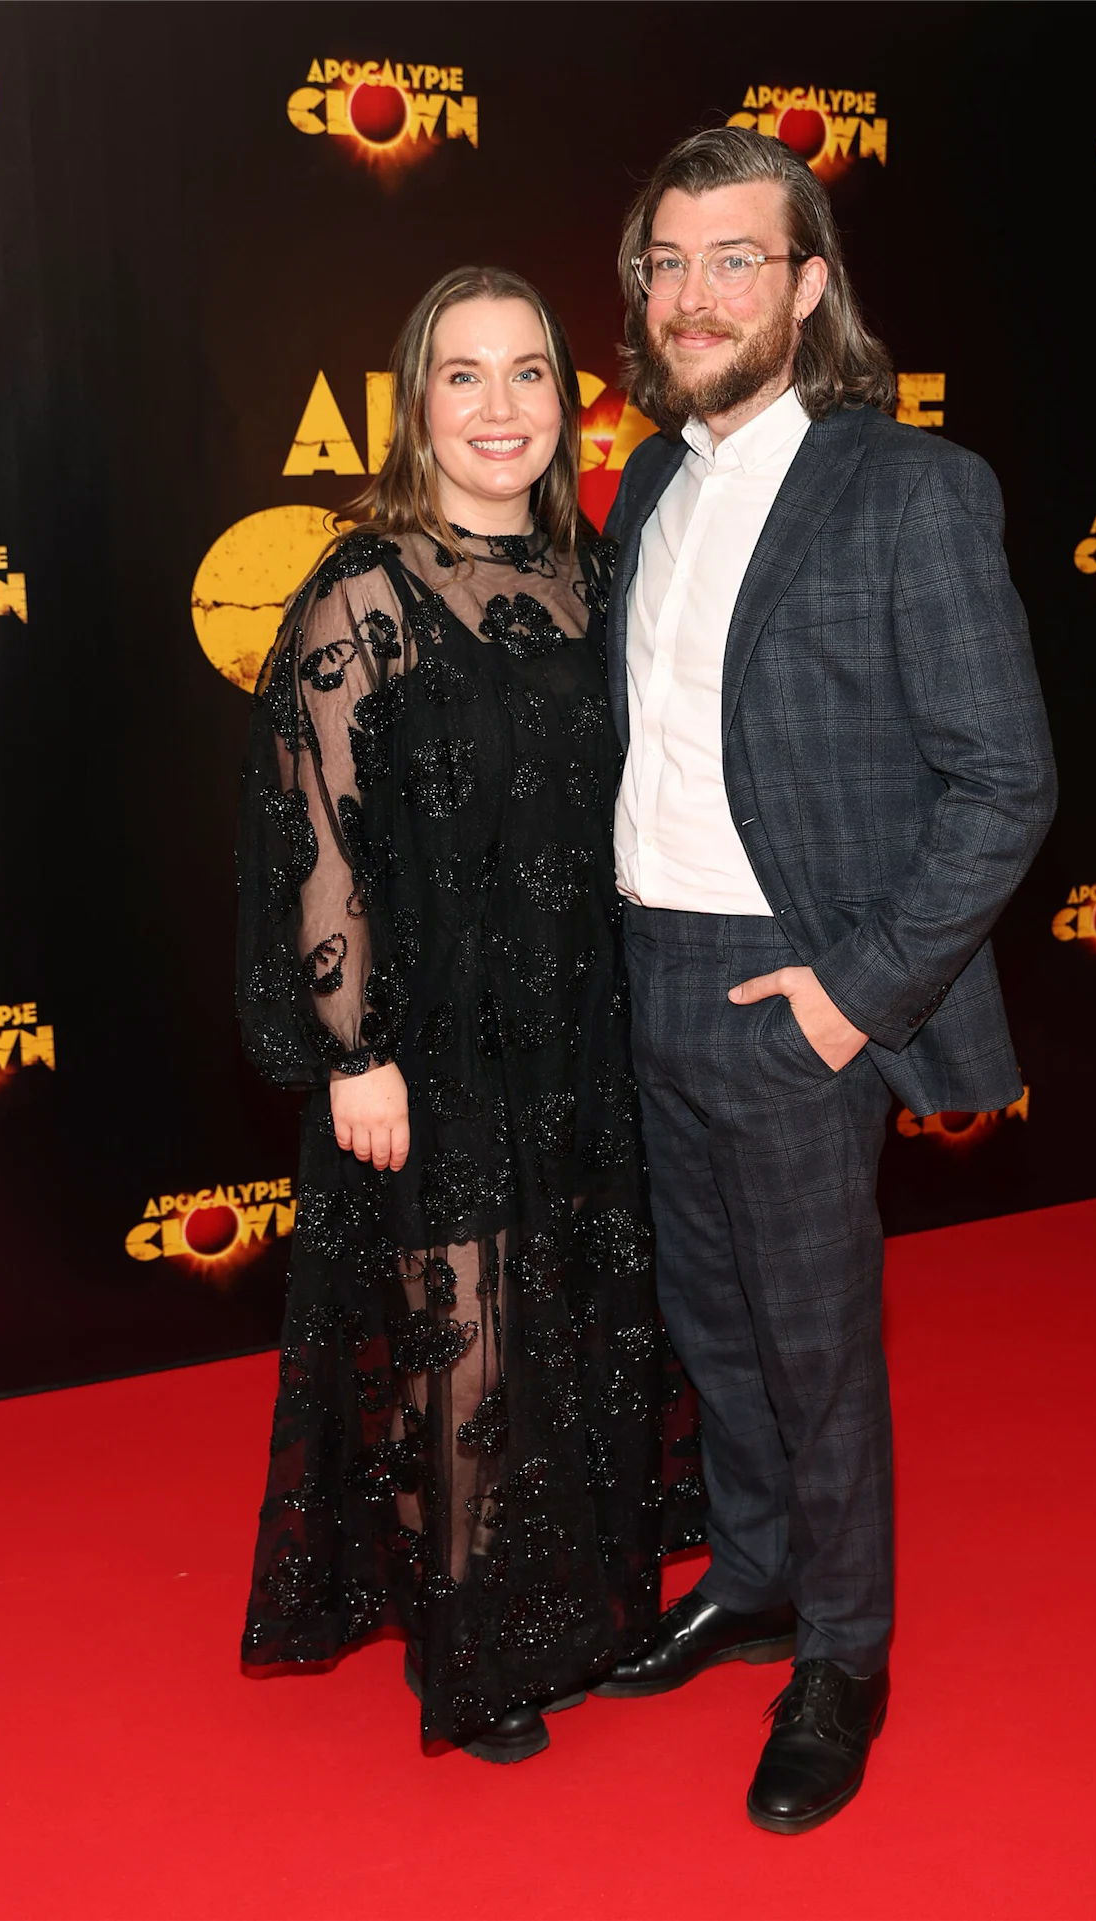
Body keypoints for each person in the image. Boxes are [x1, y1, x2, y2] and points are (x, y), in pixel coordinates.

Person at [590, 127, 1057, 1833]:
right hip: (651, 962)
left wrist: (856, 996)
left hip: (798, 989)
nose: (695, 294)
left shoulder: (911, 489)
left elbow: (1005, 782)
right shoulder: (649, 481)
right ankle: (760, 1581)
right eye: (669, 263)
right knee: (712, 1327)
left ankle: (846, 1656)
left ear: (806, 288)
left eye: (736, 260)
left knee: (814, 1345)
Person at [235, 266, 698, 1764]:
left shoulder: (595, 578)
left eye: (529, 373)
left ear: (568, 402)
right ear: (416, 406)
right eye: (463, 375)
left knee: (579, 1318)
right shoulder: (361, 590)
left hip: (587, 1022)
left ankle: (584, 1607)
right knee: (465, 1341)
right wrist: (353, 1051)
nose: (500, 407)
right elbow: (312, 834)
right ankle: (473, 1651)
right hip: (434, 1040)